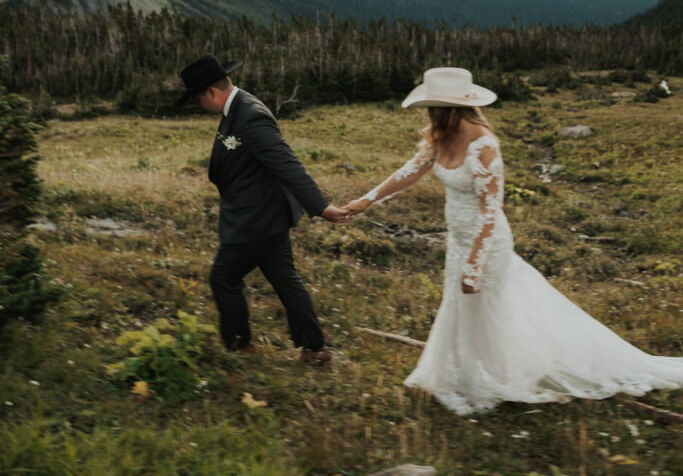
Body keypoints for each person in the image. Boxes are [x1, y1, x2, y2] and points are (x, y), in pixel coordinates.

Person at [343, 67, 683, 414]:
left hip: (486, 244)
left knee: (489, 309)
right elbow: (410, 170)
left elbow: (491, 211)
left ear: (450, 107)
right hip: (459, 241)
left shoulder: (483, 143)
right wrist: (368, 199)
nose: (428, 113)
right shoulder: (440, 135)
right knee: (463, 309)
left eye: (433, 107)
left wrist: (475, 266)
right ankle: (472, 375)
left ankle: (495, 377)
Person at [178, 55, 348, 364]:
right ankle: (315, 348)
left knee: (223, 279)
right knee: (285, 279)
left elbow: (288, 165)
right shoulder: (237, 109)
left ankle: (240, 347)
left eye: (198, 98)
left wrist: (322, 208)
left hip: (253, 221)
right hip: (265, 216)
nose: (198, 105)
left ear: (212, 93)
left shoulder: (249, 116)